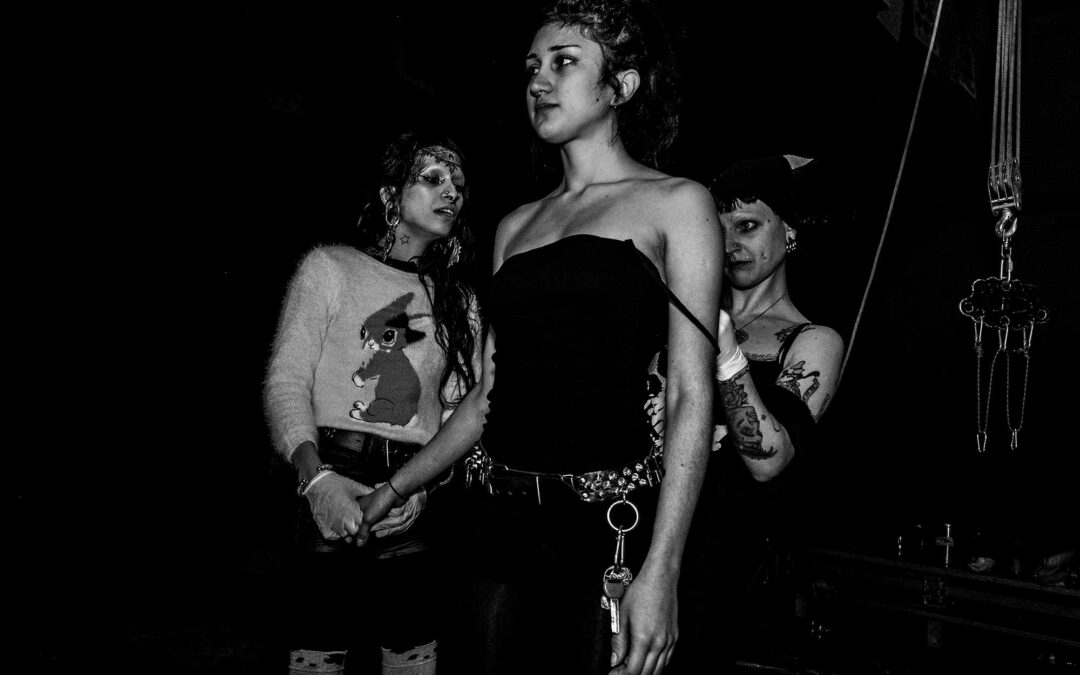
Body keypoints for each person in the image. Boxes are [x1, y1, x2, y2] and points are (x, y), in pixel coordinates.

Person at [357, 2, 722, 674]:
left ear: (621, 85)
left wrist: (663, 567)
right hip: (495, 527)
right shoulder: (515, 226)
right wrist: (392, 490)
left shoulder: (678, 203)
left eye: (564, 62)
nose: (539, 81)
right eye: (532, 67)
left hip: (607, 529)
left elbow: (690, 394)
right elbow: (487, 395)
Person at [263, 130, 481, 675]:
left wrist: (422, 489)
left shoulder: (462, 302)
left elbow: (459, 414)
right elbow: (286, 381)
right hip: (331, 473)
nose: (451, 192)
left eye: (458, 183)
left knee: (412, 657)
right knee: (317, 655)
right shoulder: (330, 267)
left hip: (410, 488)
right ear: (390, 197)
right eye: (432, 178)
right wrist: (317, 482)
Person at [669, 155, 844, 672]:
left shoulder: (812, 340)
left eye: (746, 226)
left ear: (788, 231)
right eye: (717, 230)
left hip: (739, 580)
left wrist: (725, 351)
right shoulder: (679, 326)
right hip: (660, 550)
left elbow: (768, 459)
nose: (728, 245)